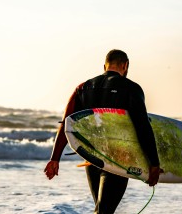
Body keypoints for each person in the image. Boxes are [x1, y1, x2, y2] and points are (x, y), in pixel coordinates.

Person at [44, 49, 161, 214]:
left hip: (91, 159)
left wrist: (55, 158)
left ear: (104, 66)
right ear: (125, 65)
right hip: (118, 159)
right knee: (103, 211)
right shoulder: (131, 88)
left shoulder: (82, 88)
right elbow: (142, 127)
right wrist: (154, 163)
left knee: (102, 210)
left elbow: (67, 124)